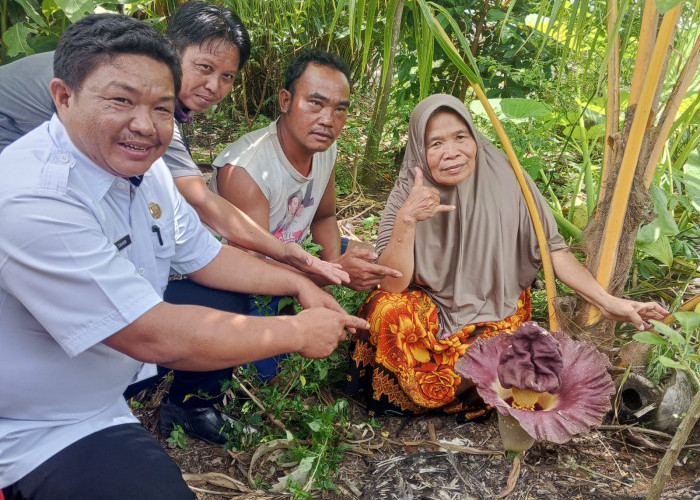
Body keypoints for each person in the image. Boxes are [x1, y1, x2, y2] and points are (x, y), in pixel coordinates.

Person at [0, 15, 367, 500]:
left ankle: (186, 405)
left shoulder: (143, 167)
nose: (144, 124)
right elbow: (151, 333)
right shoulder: (35, 199)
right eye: (121, 100)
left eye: (161, 107)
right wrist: (297, 331)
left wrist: (297, 281)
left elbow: (206, 256)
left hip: (101, 396)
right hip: (34, 426)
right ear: (63, 96)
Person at [345, 94, 668, 418]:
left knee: (510, 339)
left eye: (460, 137)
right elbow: (391, 285)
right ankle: (417, 397)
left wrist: (609, 302)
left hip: (490, 308)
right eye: (436, 143)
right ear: (418, 148)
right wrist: (408, 219)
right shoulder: (406, 192)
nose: (452, 152)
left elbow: (553, 250)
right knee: (385, 311)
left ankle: (481, 391)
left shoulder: (510, 183)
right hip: (427, 307)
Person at [210, 48, 402, 292]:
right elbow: (253, 268)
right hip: (234, 274)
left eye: (340, 109)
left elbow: (324, 217)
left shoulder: (325, 149)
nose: (328, 120)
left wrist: (333, 271)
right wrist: (332, 274)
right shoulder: (246, 169)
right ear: (285, 101)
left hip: (294, 255)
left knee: (379, 259)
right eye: (315, 103)